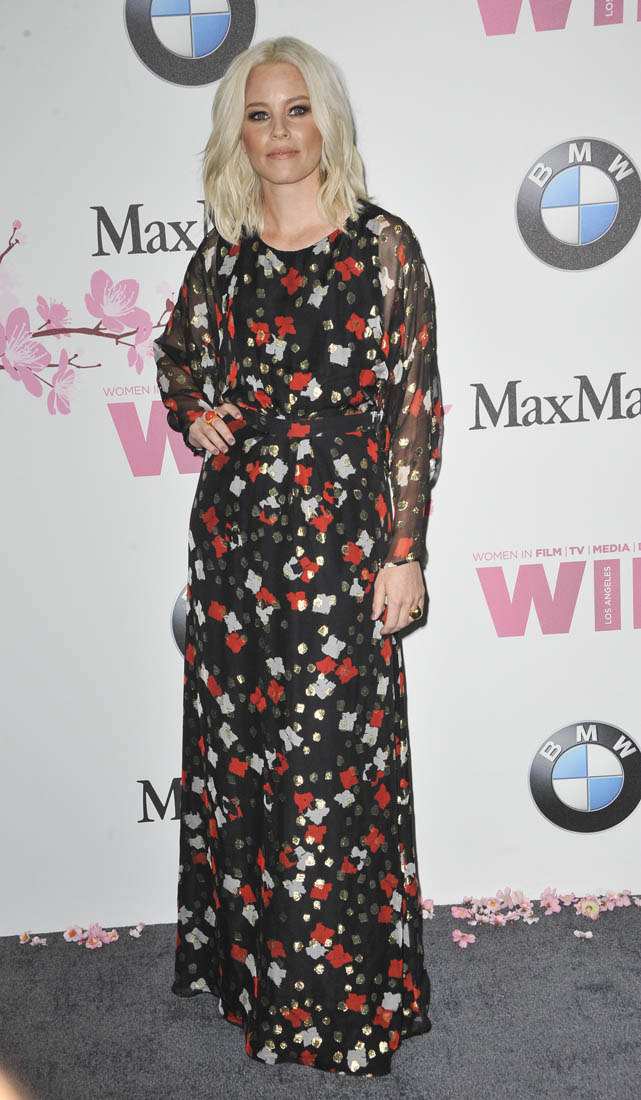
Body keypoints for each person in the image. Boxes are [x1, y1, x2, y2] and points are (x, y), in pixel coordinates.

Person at [153, 34, 444, 1078]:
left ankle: (337, 1004)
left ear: (327, 120)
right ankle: (255, 981)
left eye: (296, 109)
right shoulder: (224, 254)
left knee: (331, 771)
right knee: (246, 766)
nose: (279, 132)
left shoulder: (382, 246)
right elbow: (177, 355)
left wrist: (401, 551)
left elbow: (412, 405)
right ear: (237, 132)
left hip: (342, 544)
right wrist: (194, 409)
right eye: (258, 113)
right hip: (237, 544)